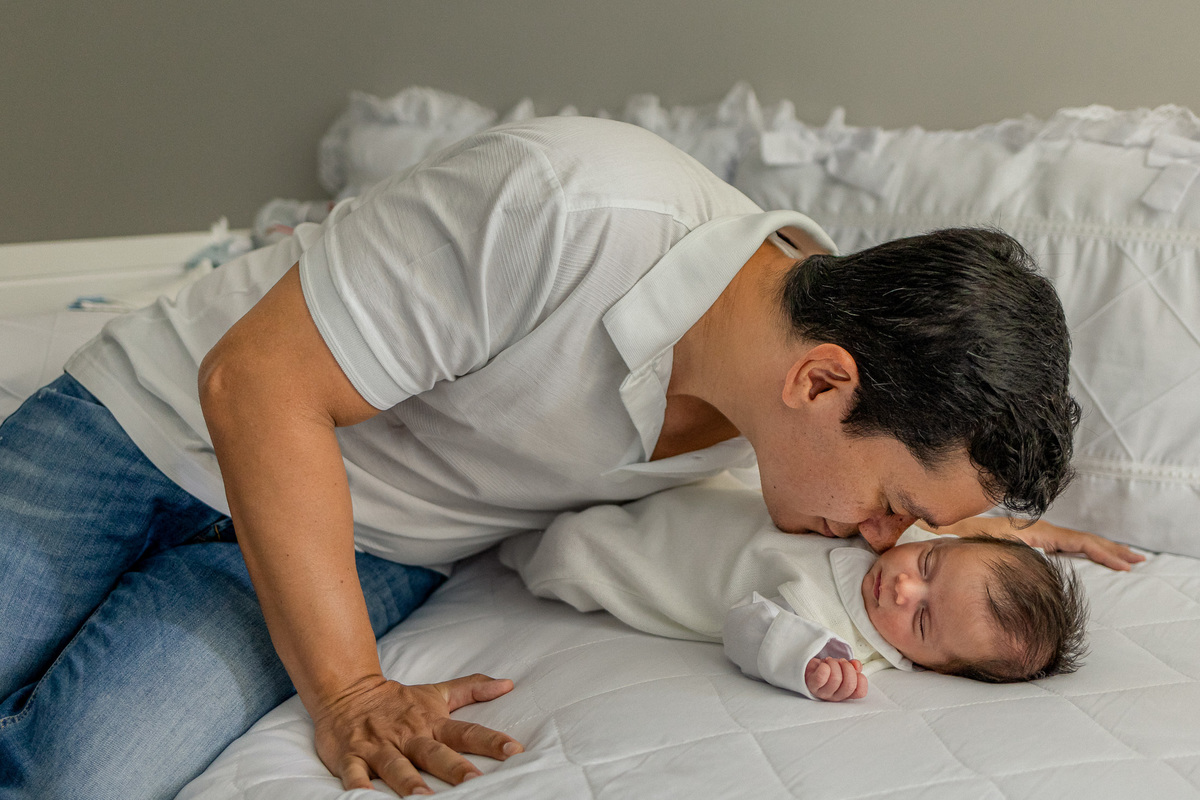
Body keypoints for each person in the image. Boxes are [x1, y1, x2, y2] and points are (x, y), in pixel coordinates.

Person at [0, 116, 1141, 799]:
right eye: (895, 504)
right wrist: (350, 691)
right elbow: (254, 384)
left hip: (363, 541)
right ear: (820, 382)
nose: (886, 541)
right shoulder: (573, 205)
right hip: (152, 422)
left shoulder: (794, 406)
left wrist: (977, 539)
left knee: (76, 780)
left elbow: (876, 505)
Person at [499, 478, 1089, 702]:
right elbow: (954, 530)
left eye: (922, 621)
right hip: (693, 494)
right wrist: (1029, 533)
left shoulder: (840, 637)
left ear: (930, 666)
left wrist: (803, 661)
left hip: (644, 561)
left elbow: (745, 627)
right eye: (929, 564)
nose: (904, 587)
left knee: (558, 547)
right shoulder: (904, 538)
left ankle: (502, 542)